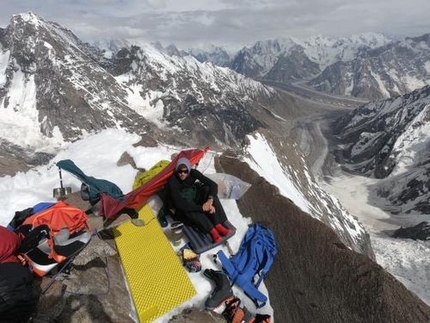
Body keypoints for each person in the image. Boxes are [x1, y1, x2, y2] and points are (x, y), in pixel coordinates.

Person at [167, 157, 232, 243]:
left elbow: (213, 185)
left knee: (207, 190)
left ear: (189, 170)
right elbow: (180, 203)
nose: (182, 174)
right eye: (180, 171)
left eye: (185, 171)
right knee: (188, 209)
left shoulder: (193, 173)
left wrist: (210, 200)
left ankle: (218, 225)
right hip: (184, 202)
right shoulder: (173, 181)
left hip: (194, 196)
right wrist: (202, 208)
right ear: (176, 170)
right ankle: (213, 231)